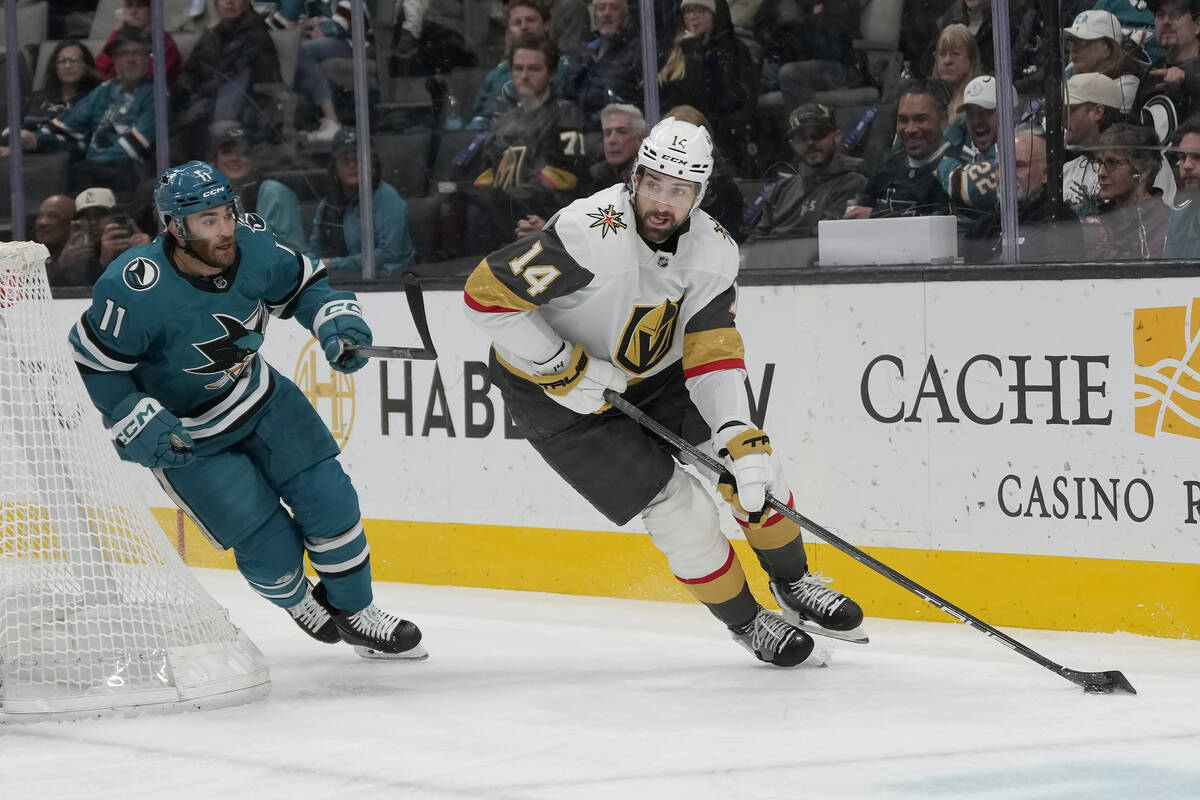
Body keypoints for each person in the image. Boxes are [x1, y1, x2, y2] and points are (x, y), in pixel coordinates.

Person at [464, 117, 866, 667]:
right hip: (553, 397)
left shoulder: (714, 249)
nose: (661, 202)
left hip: (654, 373)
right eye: (653, 184)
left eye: (679, 191)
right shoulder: (590, 231)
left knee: (753, 470)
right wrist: (559, 365)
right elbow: (485, 295)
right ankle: (748, 623)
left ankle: (795, 584)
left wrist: (736, 432)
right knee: (681, 511)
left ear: (699, 195)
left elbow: (714, 350)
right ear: (635, 177)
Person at [67, 160, 426, 660]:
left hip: (261, 399)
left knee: (329, 498)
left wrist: (334, 320)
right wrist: (130, 412)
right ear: (174, 227)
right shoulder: (133, 287)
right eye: (207, 221)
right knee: (269, 548)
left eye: (226, 214)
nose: (224, 230)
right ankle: (300, 599)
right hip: (189, 438)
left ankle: (357, 613)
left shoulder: (254, 243)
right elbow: (94, 362)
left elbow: (306, 286)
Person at [1, 26, 156, 196]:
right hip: (92, 171)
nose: (131, 59)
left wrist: (87, 163)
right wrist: (33, 141)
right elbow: (67, 125)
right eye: (123, 54)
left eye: (137, 53)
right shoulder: (107, 89)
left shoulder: (156, 93)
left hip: (129, 172)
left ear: (148, 57)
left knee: (64, 174)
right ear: (114, 60)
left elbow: (135, 147)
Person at [467, 34, 588, 250]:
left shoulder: (566, 115)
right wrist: (484, 198)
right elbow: (486, 173)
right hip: (502, 213)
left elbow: (563, 179)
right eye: (518, 68)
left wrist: (504, 200)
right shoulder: (504, 121)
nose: (524, 76)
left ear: (551, 73)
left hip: (543, 216)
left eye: (533, 69)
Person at [515, 102, 647, 238]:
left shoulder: (650, 181)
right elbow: (580, 224)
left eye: (621, 132)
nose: (611, 140)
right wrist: (547, 229)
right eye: (607, 133)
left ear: (640, 140)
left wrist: (551, 234)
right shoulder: (593, 178)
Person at [171, 0, 283, 159]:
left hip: (243, 115)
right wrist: (177, 94)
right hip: (204, 110)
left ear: (245, 4)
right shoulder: (210, 37)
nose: (230, 2)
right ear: (216, 5)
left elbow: (260, 83)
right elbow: (191, 72)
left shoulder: (258, 36)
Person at [657, 0, 759, 155]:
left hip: (717, 134)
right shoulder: (673, 52)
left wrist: (694, 53)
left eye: (700, 11)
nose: (693, 17)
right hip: (673, 132)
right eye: (688, 11)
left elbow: (715, 98)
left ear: (714, 15)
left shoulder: (733, 50)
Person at [308, 128, 416, 272]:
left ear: (371, 164)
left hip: (387, 285)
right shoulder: (327, 204)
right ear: (335, 167)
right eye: (345, 160)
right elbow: (315, 250)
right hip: (340, 284)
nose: (352, 165)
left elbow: (390, 253)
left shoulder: (387, 198)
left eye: (358, 159)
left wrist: (333, 264)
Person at [754, 103, 868, 238]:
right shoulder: (780, 189)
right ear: (792, 144)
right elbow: (757, 238)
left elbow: (827, 238)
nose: (810, 143)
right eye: (801, 137)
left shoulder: (852, 182)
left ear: (837, 137)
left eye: (818, 134)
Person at [846, 81, 953, 219]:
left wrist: (876, 216)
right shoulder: (887, 168)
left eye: (920, 119)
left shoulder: (957, 169)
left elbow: (947, 227)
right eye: (903, 120)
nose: (910, 129)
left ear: (943, 119)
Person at [467, 0, 571, 130]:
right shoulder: (496, 74)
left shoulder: (563, 67)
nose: (524, 26)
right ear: (509, 31)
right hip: (493, 140)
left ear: (546, 25)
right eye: (517, 23)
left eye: (531, 20)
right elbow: (481, 117)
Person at [213, 125, 306, 253]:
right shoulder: (203, 196)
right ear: (216, 159)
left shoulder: (275, 193)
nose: (234, 158)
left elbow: (295, 254)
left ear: (255, 159)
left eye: (244, 153)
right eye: (227, 152)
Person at [1093, 123, 1170, 259]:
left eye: (1112, 163)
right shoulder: (1100, 218)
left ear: (1143, 170)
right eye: (1100, 163)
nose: (1101, 173)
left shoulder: (1164, 224)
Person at [563, 0, 643, 124]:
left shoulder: (637, 49)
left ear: (625, 16)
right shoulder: (583, 50)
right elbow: (567, 93)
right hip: (580, 130)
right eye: (601, 8)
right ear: (595, 17)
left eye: (614, 8)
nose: (607, 13)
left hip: (617, 128)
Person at [1063, 72, 1126, 218]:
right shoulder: (1066, 171)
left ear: (1097, 112)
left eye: (1070, 110)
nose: (1063, 118)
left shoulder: (1142, 164)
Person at [1137, 0, 1200, 144]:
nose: (1166, 21)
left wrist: (1188, 80)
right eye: (1160, 15)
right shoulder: (1151, 73)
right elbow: (1135, 128)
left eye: (1176, 15)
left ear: (1197, 24)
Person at [1064, 9, 1140, 113]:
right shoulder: (1070, 69)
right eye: (1071, 40)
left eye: (1083, 41)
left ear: (1107, 49)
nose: (1073, 48)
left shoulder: (1124, 87)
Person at [93, 0, 184, 84]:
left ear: (152, 11)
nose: (133, 12)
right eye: (129, 6)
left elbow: (144, 79)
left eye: (140, 6)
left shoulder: (164, 42)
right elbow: (97, 70)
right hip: (112, 94)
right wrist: (118, 32)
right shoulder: (119, 38)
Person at [25, 40, 101, 129]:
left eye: (74, 60)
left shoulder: (96, 101)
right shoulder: (36, 98)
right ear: (55, 67)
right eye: (61, 61)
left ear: (86, 66)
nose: (67, 66)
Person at [933, 24, 981, 127]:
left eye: (955, 53)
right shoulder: (926, 98)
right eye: (942, 54)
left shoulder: (977, 105)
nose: (947, 61)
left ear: (971, 59)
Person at [1165, 115, 1200, 254]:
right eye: (1183, 157)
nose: (1186, 165)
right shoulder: (1179, 218)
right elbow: (1170, 273)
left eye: (1198, 156)